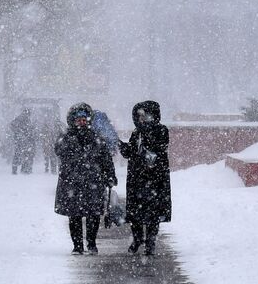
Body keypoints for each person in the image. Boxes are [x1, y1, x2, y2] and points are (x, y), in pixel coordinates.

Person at [55, 102, 116, 254]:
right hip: (72, 182)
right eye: (78, 120)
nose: (82, 123)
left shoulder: (97, 138)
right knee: (74, 215)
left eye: (84, 120)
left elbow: (106, 159)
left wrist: (110, 175)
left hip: (93, 181)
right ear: (73, 121)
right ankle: (77, 246)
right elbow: (59, 150)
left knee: (93, 215)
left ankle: (91, 244)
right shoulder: (66, 138)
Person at [119, 100, 171, 256]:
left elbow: (158, 149)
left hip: (155, 178)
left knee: (153, 213)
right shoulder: (137, 132)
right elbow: (131, 153)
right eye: (139, 116)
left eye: (145, 115)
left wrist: (143, 146)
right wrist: (123, 147)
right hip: (137, 177)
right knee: (135, 212)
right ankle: (137, 239)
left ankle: (150, 242)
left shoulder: (161, 130)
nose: (142, 119)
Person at [10, 107, 37, 174]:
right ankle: (20, 169)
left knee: (23, 154)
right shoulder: (21, 118)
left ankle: (22, 169)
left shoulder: (25, 119)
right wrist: (20, 133)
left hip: (23, 140)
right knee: (21, 154)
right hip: (21, 140)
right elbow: (12, 125)